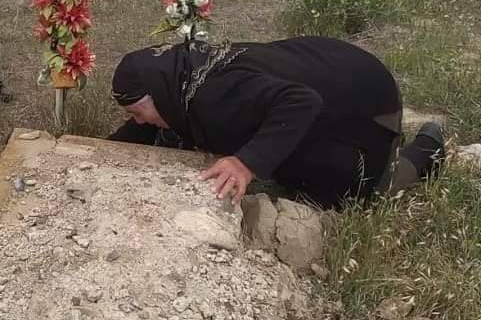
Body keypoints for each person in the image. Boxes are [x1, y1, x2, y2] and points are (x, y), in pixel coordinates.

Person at [109, 37, 445, 208]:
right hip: (336, 72)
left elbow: (301, 102)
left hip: (365, 101)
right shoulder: (181, 81)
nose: (140, 122)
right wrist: (108, 151)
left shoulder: (216, 94)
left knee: (358, 193)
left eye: (137, 112)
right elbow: (145, 126)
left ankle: (428, 146)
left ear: (157, 95)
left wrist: (245, 164)